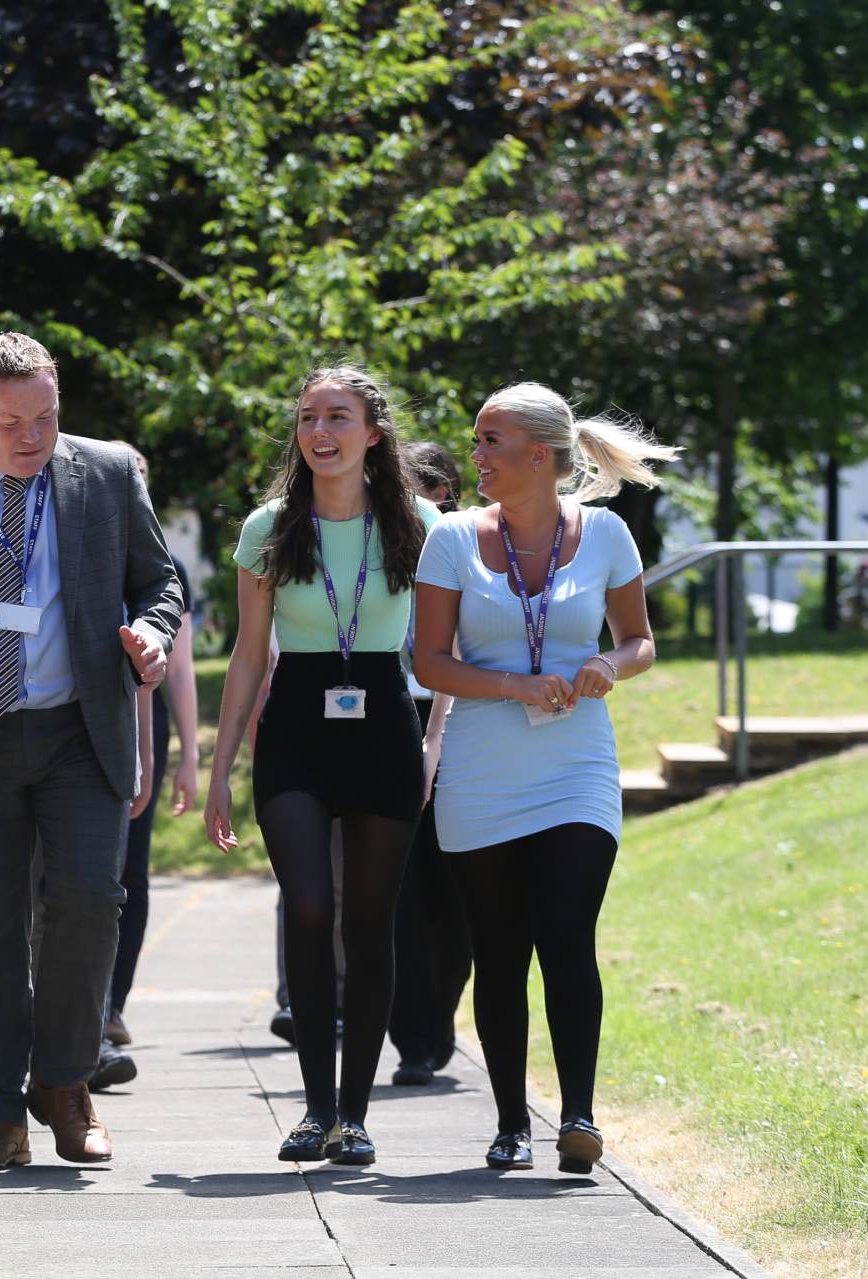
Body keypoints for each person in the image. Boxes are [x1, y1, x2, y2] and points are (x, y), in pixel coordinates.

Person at [0, 332, 184, 1171]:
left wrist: (152, 636)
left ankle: (65, 1084)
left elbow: (160, 581)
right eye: (11, 421)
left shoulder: (109, 473)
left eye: (46, 417)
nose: (32, 436)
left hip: (79, 728)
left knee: (90, 900)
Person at [411, 381, 675, 1176]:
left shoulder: (606, 536)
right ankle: (507, 1123)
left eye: (490, 441)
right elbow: (429, 661)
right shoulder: (450, 539)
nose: (476, 455)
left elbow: (639, 642)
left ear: (539, 456)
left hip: (575, 766)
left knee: (566, 934)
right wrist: (514, 685)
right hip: (481, 767)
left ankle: (580, 1115)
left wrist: (603, 661)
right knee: (498, 950)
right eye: (477, 439)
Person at [204, 364, 442, 1167]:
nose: (320, 432)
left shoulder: (422, 525)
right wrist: (218, 769)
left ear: (373, 432)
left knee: (368, 922)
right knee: (308, 907)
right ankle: (311, 1110)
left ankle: (354, 1115)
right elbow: (244, 656)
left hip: (383, 730)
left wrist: (435, 736)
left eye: (337, 416)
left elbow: (446, 650)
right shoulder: (269, 525)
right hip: (297, 731)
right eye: (307, 417)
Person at [106, 444, 201, 1054]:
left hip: (146, 726)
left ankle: (111, 1007)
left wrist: (191, 755)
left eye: (138, 478)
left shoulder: (165, 566)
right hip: (76, 723)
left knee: (130, 873)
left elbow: (185, 667)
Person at [387, 440, 471, 1087]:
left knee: (455, 891)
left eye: (432, 492)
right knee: (400, 888)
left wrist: (437, 734)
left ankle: (438, 1015)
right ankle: (412, 1036)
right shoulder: (372, 543)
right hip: (386, 714)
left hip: (457, 723)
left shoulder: (469, 548)